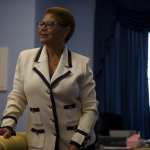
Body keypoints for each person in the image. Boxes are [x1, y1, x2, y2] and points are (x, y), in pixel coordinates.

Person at [0, 7, 98, 150]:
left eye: (50, 24)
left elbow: (90, 108)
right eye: (41, 23)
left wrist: (78, 140)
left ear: (66, 31)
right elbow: (18, 96)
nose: (43, 28)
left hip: (75, 144)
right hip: (38, 144)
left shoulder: (82, 64)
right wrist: (8, 123)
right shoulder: (25, 57)